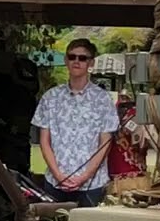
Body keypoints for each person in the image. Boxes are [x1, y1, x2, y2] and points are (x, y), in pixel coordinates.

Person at [32, 39, 120, 207]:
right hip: (55, 182)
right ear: (66, 60)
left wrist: (84, 177)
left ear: (91, 63)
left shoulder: (103, 99)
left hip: (92, 184)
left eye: (82, 58)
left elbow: (105, 144)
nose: (77, 61)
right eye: (72, 57)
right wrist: (59, 175)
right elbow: (44, 141)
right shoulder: (50, 97)